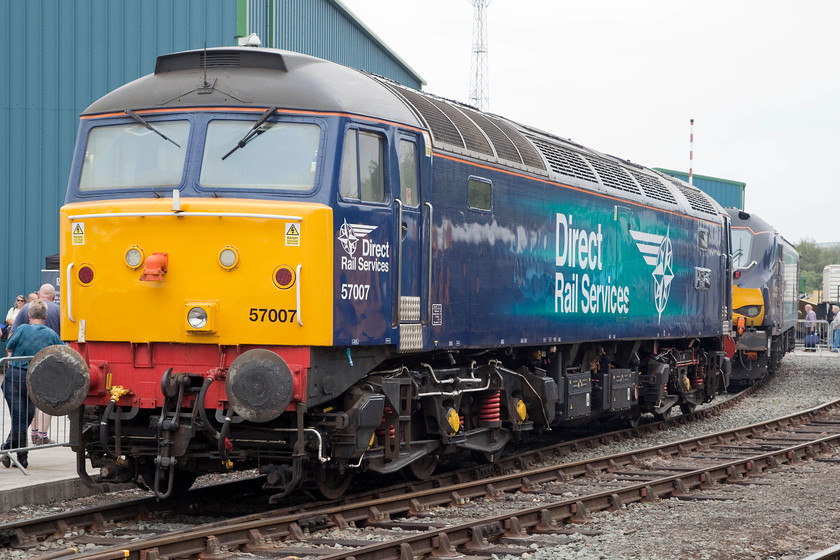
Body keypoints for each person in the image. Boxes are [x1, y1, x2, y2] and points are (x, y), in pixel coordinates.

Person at [2, 299, 63, 468]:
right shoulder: (51, 334)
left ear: (29, 315)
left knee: (20, 418)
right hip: (36, 380)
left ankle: (6, 448)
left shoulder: (21, 329)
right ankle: (22, 458)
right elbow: (61, 352)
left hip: (14, 378)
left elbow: (9, 347)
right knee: (24, 418)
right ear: (45, 315)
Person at [11, 284, 61, 445]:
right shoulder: (60, 311)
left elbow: (12, 335)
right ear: (53, 296)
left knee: (29, 401)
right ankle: (43, 435)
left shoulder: (26, 309)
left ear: (39, 294)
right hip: (48, 364)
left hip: (24, 366)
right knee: (46, 401)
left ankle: (32, 433)